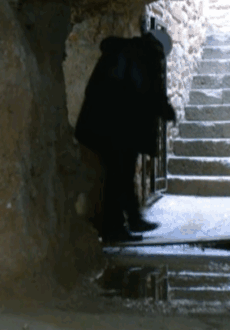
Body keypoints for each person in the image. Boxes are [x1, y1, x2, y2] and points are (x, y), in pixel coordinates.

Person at [75, 32, 177, 244]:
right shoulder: (143, 55)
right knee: (118, 177)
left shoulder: (123, 50)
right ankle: (114, 230)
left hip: (103, 124)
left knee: (122, 175)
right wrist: (165, 109)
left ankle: (133, 220)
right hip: (117, 126)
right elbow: (145, 90)